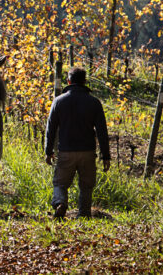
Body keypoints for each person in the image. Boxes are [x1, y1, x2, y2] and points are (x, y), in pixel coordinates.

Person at [44, 67, 111, 219]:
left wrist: (48, 151)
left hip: (66, 151)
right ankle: (84, 214)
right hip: (87, 152)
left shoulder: (58, 101)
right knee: (86, 186)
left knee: (60, 183)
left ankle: (60, 203)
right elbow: (102, 131)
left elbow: (51, 129)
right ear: (84, 81)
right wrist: (106, 156)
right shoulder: (94, 103)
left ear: (68, 81)